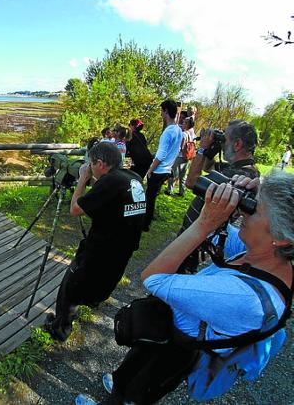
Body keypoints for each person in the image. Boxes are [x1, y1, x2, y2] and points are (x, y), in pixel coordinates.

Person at [84, 173, 292, 405]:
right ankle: (117, 389)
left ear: (281, 237)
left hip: (174, 352)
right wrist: (222, 206)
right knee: (129, 377)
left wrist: (206, 222)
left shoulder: (245, 298)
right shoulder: (266, 255)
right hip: (165, 333)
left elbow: (153, 278)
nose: (245, 211)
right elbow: (214, 236)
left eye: (255, 208)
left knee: (136, 394)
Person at [44, 142, 146, 342]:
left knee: (69, 289)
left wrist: (83, 178)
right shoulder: (133, 178)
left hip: (100, 251)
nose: (89, 167)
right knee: (102, 284)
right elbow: (111, 205)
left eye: (90, 164)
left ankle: (60, 329)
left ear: (100, 163)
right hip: (123, 250)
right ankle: (92, 300)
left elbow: (75, 209)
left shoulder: (109, 182)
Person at [178, 120, 260, 273]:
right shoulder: (241, 168)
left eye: (225, 139)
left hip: (195, 240)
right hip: (197, 236)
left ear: (237, 144)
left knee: (172, 278)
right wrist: (211, 150)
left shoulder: (239, 176)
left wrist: (201, 149)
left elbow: (191, 182)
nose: (222, 142)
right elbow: (209, 168)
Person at [142, 100, 183, 232]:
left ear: (165, 111)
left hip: (159, 170)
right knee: (152, 196)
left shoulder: (168, 132)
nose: (161, 113)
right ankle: (147, 220)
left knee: (149, 198)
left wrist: (150, 169)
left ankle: (145, 224)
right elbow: (176, 151)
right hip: (167, 169)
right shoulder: (178, 130)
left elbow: (160, 155)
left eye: (161, 111)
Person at [165, 117, 196, 196]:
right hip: (188, 157)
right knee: (183, 175)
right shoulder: (193, 134)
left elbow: (181, 147)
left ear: (188, 125)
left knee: (173, 173)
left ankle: (169, 190)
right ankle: (182, 192)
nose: (183, 124)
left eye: (185, 123)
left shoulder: (184, 134)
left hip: (180, 157)